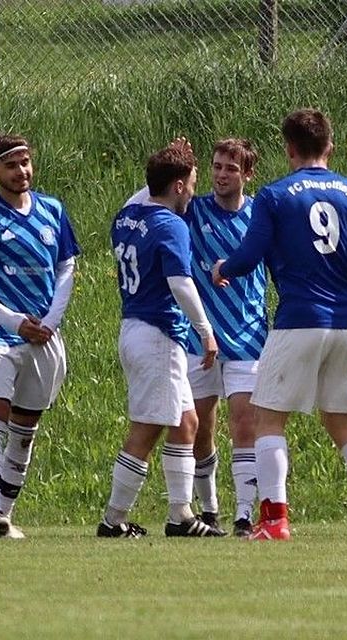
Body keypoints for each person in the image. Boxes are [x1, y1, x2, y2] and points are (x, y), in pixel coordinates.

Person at [212, 108, 347, 541]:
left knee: (268, 420)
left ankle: (274, 520)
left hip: (297, 321)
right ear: (330, 146)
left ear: (289, 149)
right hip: (345, 325)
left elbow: (249, 256)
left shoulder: (275, 195)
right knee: (341, 421)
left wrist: (223, 267)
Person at [126, 138, 266, 538]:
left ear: (248, 175)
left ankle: (243, 513)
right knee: (199, 425)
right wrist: (168, 168)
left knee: (244, 421)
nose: (222, 175)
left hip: (247, 334)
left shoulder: (259, 214)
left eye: (231, 169)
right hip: (196, 339)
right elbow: (145, 204)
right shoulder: (192, 209)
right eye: (217, 166)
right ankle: (209, 509)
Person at [0, 133, 80, 539]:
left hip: (44, 337)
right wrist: (14, 321)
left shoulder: (53, 211)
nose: (21, 171)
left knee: (26, 430)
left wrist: (50, 319)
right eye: (11, 165)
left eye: (25, 162)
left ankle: (4, 516)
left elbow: (66, 268)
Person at [98, 142, 222, 538]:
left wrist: (169, 162)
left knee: (187, 422)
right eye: (192, 183)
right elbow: (180, 282)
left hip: (136, 329)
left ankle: (180, 515)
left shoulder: (127, 216)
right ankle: (112, 521)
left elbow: (147, 193)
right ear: (180, 187)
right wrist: (206, 330)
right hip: (157, 334)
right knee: (146, 429)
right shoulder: (171, 226)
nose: (194, 191)